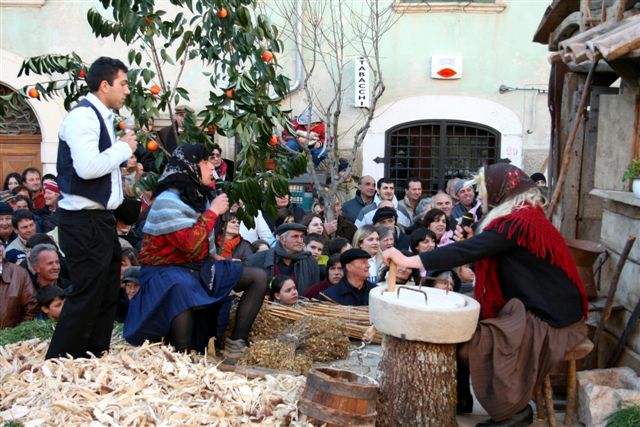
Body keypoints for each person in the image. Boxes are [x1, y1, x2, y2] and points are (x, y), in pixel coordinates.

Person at [382, 163, 588, 426]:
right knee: (466, 327)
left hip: (550, 318)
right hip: (543, 305)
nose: (481, 198)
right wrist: (473, 236)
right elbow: (485, 247)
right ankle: (463, 399)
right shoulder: (524, 215)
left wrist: (409, 260)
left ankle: (514, 411)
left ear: (501, 190)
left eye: (484, 191)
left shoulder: (517, 223)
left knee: (476, 341)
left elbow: (465, 252)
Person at [124, 144, 268, 356]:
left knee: (258, 276)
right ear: (189, 167)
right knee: (181, 286)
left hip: (196, 266)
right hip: (162, 271)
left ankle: (237, 343)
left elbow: (202, 243)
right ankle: (185, 356)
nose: (212, 167)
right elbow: (190, 244)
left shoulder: (198, 195)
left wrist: (214, 256)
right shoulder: (167, 201)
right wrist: (213, 211)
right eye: (205, 162)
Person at [45, 57, 138, 360]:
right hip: (82, 221)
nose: (127, 90)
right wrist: (123, 148)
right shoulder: (83, 117)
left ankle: (93, 356)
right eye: (123, 83)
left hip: (98, 220)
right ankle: (60, 361)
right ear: (104, 85)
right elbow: (87, 168)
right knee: (87, 293)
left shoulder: (100, 116)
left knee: (107, 290)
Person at [246, 223, 320, 295]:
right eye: (295, 236)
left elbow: (314, 292)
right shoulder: (257, 260)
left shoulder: (310, 261)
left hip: (301, 306)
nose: (300, 241)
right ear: (282, 239)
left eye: (301, 236)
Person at [0, 241, 38, 328]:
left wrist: (17, 334)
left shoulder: (19, 273)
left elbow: (31, 307)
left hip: (11, 338)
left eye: (0, 245)